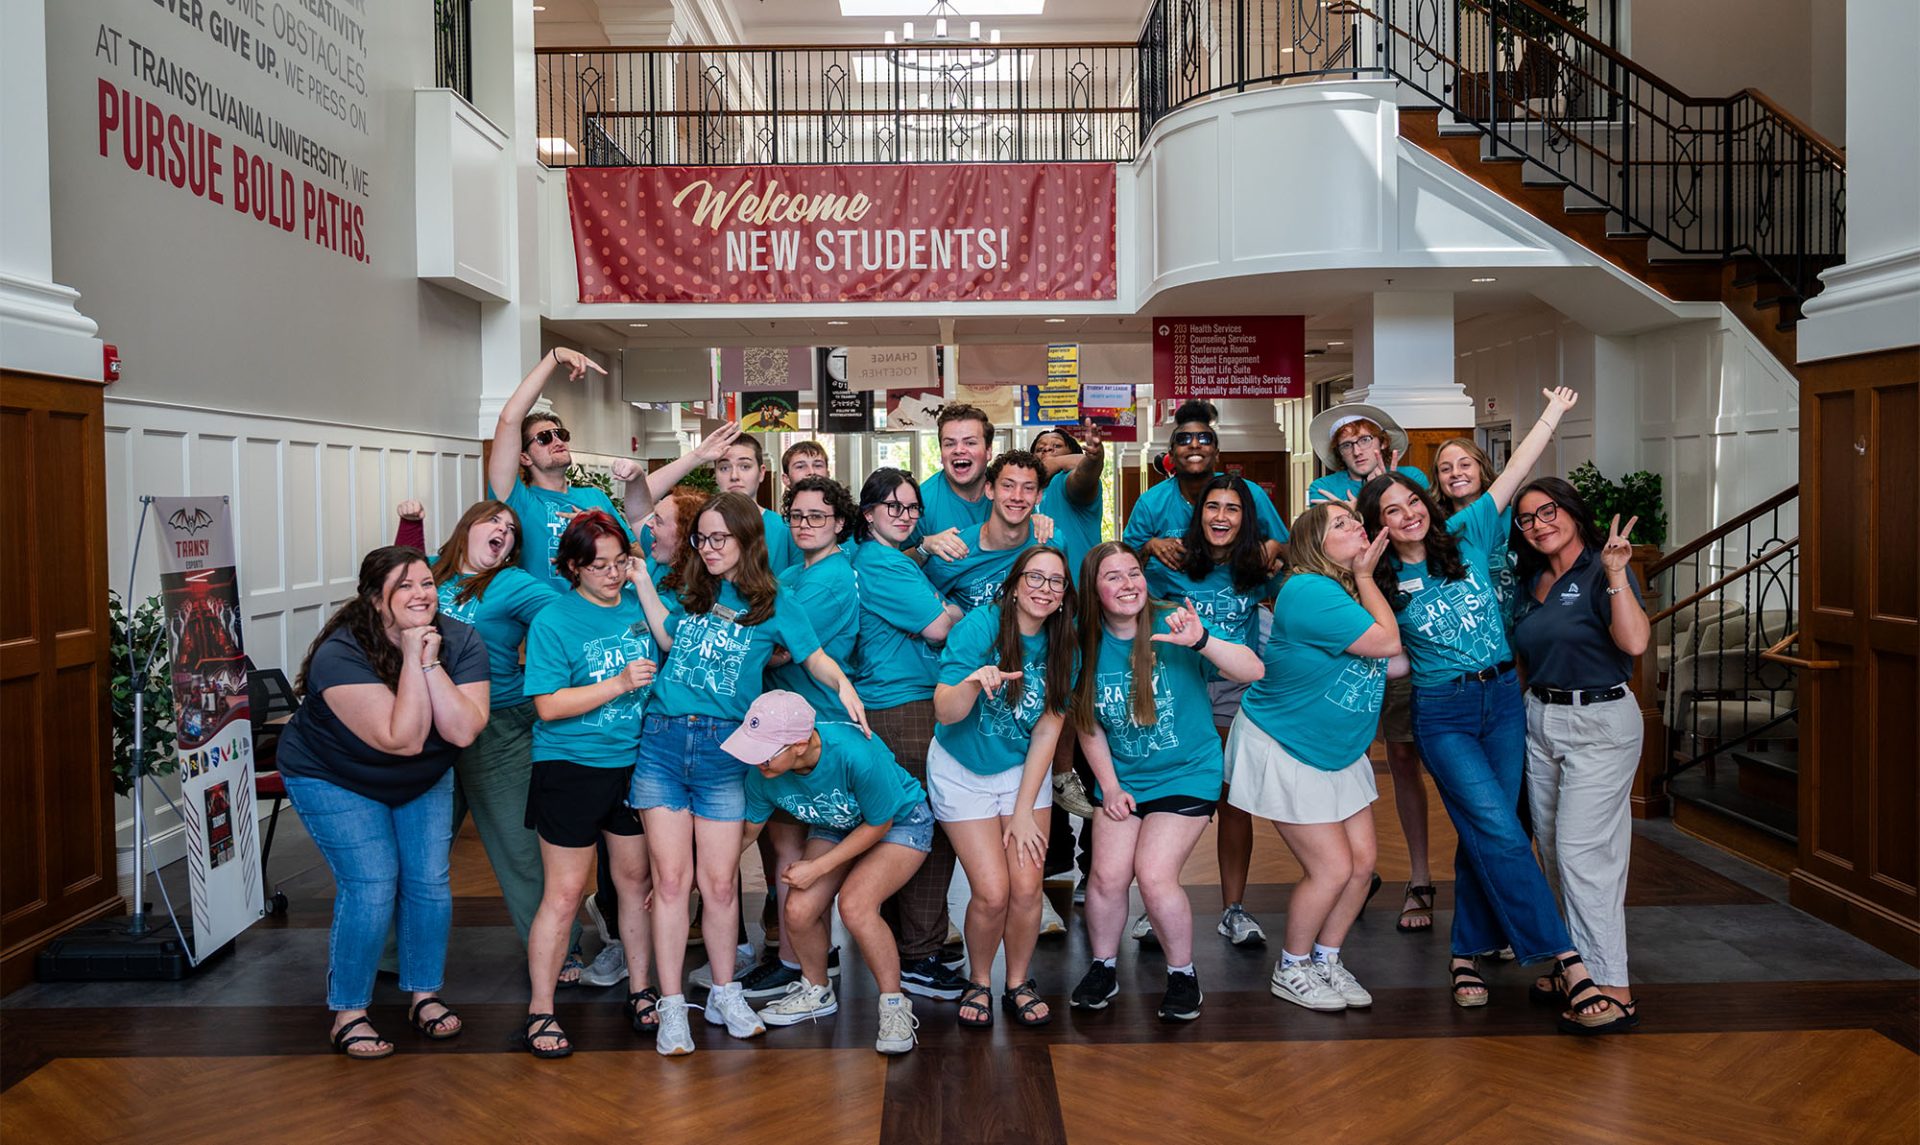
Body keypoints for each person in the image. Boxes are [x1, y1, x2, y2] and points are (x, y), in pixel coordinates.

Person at [1355, 388, 1617, 1028]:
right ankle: (1568, 959)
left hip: (1502, 699)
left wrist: (1551, 414)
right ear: (1379, 524)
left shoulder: (1466, 534)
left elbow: (1517, 471)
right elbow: (1382, 648)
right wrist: (1363, 578)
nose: (1409, 514)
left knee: (1491, 828)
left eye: (1413, 502)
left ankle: (1466, 952)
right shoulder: (1379, 578)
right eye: (1392, 511)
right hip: (1442, 713)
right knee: (1499, 830)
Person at [631, 491, 868, 1056]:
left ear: (745, 541)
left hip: (723, 749)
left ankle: (725, 991)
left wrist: (844, 685)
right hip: (663, 741)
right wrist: (642, 581)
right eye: (701, 538)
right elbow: (672, 643)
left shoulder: (776, 599)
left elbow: (812, 657)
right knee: (669, 884)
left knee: (716, 884)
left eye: (719, 538)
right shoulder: (691, 587)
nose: (708, 548)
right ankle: (670, 1008)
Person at [275, 546, 491, 1060]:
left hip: (420, 777)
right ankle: (349, 1012)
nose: (421, 595)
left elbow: (462, 730)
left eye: (427, 584)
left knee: (428, 884)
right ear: (376, 600)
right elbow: (402, 738)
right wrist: (416, 661)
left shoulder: (460, 640)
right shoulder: (340, 653)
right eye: (404, 587)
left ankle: (424, 995)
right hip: (335, 775)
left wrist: (430, 659)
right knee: (372, 884)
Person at [1067, 542, 1264, 1023]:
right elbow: (1088, 724)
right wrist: (1109, 787)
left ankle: (1182, 974)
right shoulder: (1080, 640)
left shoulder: (1174, 619)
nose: (1128, 583)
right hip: (1124, 777)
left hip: (1187, 771)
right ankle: (1103, 965)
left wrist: (1201, 641)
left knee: (1154, 876)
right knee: (1107, 876)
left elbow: (1253, 670)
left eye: (1133, 572)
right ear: (1094, 589)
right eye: (1113, 576)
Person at [392, 500, 580, 979]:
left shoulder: (511, 583)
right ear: (467, 528)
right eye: (493, 522)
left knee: (517, 846)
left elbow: (568, 618)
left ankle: (561, 948)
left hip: (496, 726)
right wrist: (410, 524)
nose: (504, 531)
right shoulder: (433, 573)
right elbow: (391, 585)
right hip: (429, 725)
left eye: (511, 530)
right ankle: (395, 952)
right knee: (417, 845)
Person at [1228, 504, 1402, 1012]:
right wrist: (1368, 575)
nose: (1356, 526)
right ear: (1314, 545)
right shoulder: (1309, 590)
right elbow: (1388, 644)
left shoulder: (1345, 590)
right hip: (1285, 745)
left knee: (1362, 866)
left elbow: (1386, 663)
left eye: (1355, 519)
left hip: (1337, 750)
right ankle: (1293, 965)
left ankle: (1327, 958)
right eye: (1341, 525)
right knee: (1331, 868)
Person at [518, 511, 673, 1057]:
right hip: (569, 768)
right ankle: (541, 1010)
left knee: (634, 886)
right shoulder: (554, 621)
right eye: (598, 566)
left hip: (634, 766)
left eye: (619, 563)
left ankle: (641, 989)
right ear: (574, 568)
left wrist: (644, 581)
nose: (612, 575)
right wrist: (617, 683)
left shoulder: (640, 606)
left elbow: (677, 646)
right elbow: (548, 705)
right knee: (563, 895)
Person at [1510, 478, 1650, 1035]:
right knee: (1551, 847)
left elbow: (1635, 643)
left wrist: (1617, 574)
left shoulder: (1603, 567)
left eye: (1549, 512)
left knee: (1582, 851)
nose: (1541, 523)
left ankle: (1613, 984)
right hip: (1541, 718)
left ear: (1571, 512)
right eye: (1527, 519)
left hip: (1600, 720)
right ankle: (1577, 968)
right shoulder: (1530, 580)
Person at [725, 692, 932, 1054]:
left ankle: (894, 1004)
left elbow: (879, 823)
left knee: (855, 906)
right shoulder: (764, 771)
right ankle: (817, 991)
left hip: (899, 822)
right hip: (836, 824)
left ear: (801, 744)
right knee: (798, 910)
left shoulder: (856, 753)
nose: (757, 760)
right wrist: (699, 878)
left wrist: (818, 867)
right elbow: (747, 834)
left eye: (766, 750)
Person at [930, 547, 1077, 1028]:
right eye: (1035, 577)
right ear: (1014, 585)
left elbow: (1048, 731)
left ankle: (1016, 981)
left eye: (1056, 582)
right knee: (992, 892)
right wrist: (974, 682)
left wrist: (1021, 809)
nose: (1045, 589)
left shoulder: (1064, 645)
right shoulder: (980, 627)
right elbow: (945, 711)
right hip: (962, 767)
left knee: (1028, 887)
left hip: (1020, 771)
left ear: (1063, 597)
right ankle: (979, 980)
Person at [1307, 401, 1436, 933]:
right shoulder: (1324, 493)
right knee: (1344, 759)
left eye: (1366, 440)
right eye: (1347, 445)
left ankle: (1421, 877)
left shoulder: (1411, 481)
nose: (1358, 450)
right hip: (1352, 641)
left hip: (1406, 638)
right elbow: (1331, 551)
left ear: (1383, 443)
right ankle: (1357, 873)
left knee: (1404, 759)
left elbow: (1423, 539)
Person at [735, 475, 863, 1000]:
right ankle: (796, 951)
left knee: (794, 848)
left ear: (838, 523)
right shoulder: (791, 572)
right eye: (797, 516)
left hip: (813, 723)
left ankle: (798, 961)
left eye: (818, 516)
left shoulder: (829, 579)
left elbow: (775, 649)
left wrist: (749, 646)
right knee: (783, 844)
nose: (805, 525)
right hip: (778, 719)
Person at [847, 469, 971, 1002]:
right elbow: (940, 627)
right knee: (927, 829)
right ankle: (920, 954)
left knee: (902, 825)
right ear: (868, 512)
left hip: (896, 702)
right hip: (906, 706)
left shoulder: (889, 558)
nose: (903, 514)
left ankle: (909, 941)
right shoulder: (880, 563)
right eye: (891, 506)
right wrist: (962, 607)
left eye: (912, 507)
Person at [486, 346, 734, 588]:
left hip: (607, 614)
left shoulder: (593, 497)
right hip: (549, 617)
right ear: (525, 457)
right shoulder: (518, 500)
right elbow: (509, 420)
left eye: (560, 433)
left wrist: (599, 528)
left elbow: (637, 550)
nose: (558, 441)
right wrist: (554, 357)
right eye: (544, 438)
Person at [1170, 474, 1280, 948]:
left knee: (1233, 800)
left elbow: (1303, 560)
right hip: (1183, 689)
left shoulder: (1260, 569)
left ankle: (1233, 909)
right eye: (1212, 507)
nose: (1220, 516)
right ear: (1199, 515)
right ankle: (1156, 903)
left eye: (1232, 509)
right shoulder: (1170, 565)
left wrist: (1276, 548)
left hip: (1236, 692)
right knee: (1175, 799)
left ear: (1246, 518)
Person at [1122, 401, 1287, 602]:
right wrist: (1150, 544)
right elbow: (1125, 563)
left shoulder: (1249, 494)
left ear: (1217, 454)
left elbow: (1292, 553)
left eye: (1204, 438)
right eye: (1183, 439)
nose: (1194, 444)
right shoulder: (1150, 502)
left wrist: (1275, 547)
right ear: (1171, 456)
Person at [922, 450, 1047, 612]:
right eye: (1007, 486)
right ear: (990, 490)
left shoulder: (1050, 541)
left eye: (1028, 488)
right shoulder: (955, 551)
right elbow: (923, 607)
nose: (1017, 496)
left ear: (1038, 496)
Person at [1432, 436, 1520, 620]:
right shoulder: (1435, 528)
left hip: (1520, 626)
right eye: (1445, 469)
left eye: (1465, 465)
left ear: (1482, 468)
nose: (1455, 473)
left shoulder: (1515, 517)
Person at [714, 433, 802, 572]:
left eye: (745, 466)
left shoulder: (785, 530)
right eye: (724, 468)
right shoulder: (704, 530)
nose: (734, 476)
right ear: (715, 475)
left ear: (761, 473)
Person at [916, 403, 996, 546]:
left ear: (988, 451)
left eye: (970, 443)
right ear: (941, 453)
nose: (959, 450)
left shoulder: (1008, 491)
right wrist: (924, 546)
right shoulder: (920, 501)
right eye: (949, 444)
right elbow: (893, 560)